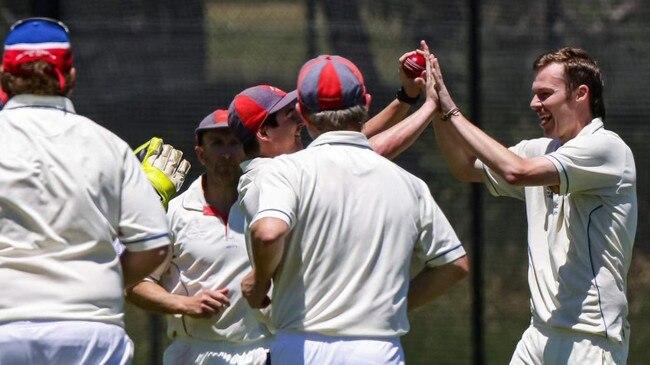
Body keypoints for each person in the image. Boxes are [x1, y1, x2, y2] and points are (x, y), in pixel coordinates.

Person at [238, 54, 469, 364]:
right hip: (377, 349)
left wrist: (259, 281)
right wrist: (427, 105)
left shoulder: (287, 171)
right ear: (366, 102)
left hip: (302, 346)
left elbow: (268, 233)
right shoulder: (409, 184)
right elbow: (454, 265)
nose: (293, 120)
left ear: (304, 113)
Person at [429, 43, 636, 364]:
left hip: (590, 340)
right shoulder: (540, 149)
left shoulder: (607, 149)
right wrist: (435, 107)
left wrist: (451, 109)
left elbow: (516, 171)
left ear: (581, 94)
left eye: (544, 94)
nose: (534, 103)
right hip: (538, 333)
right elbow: (463, 167)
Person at [0, 18, 170, 364]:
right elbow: (153, 248)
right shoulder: (108, 145)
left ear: (4, 77)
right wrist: (99, 278)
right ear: (72, 76)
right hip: (92, 332)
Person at [126, 110, 271, 365]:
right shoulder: (175, 211)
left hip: (264, 351)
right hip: (193, 354)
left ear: (246, 149)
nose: (227, 153)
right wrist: (184, 304)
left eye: (234, 142)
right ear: (201, 153)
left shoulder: (268, 205)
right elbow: (135, 284)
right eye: (217, 143)